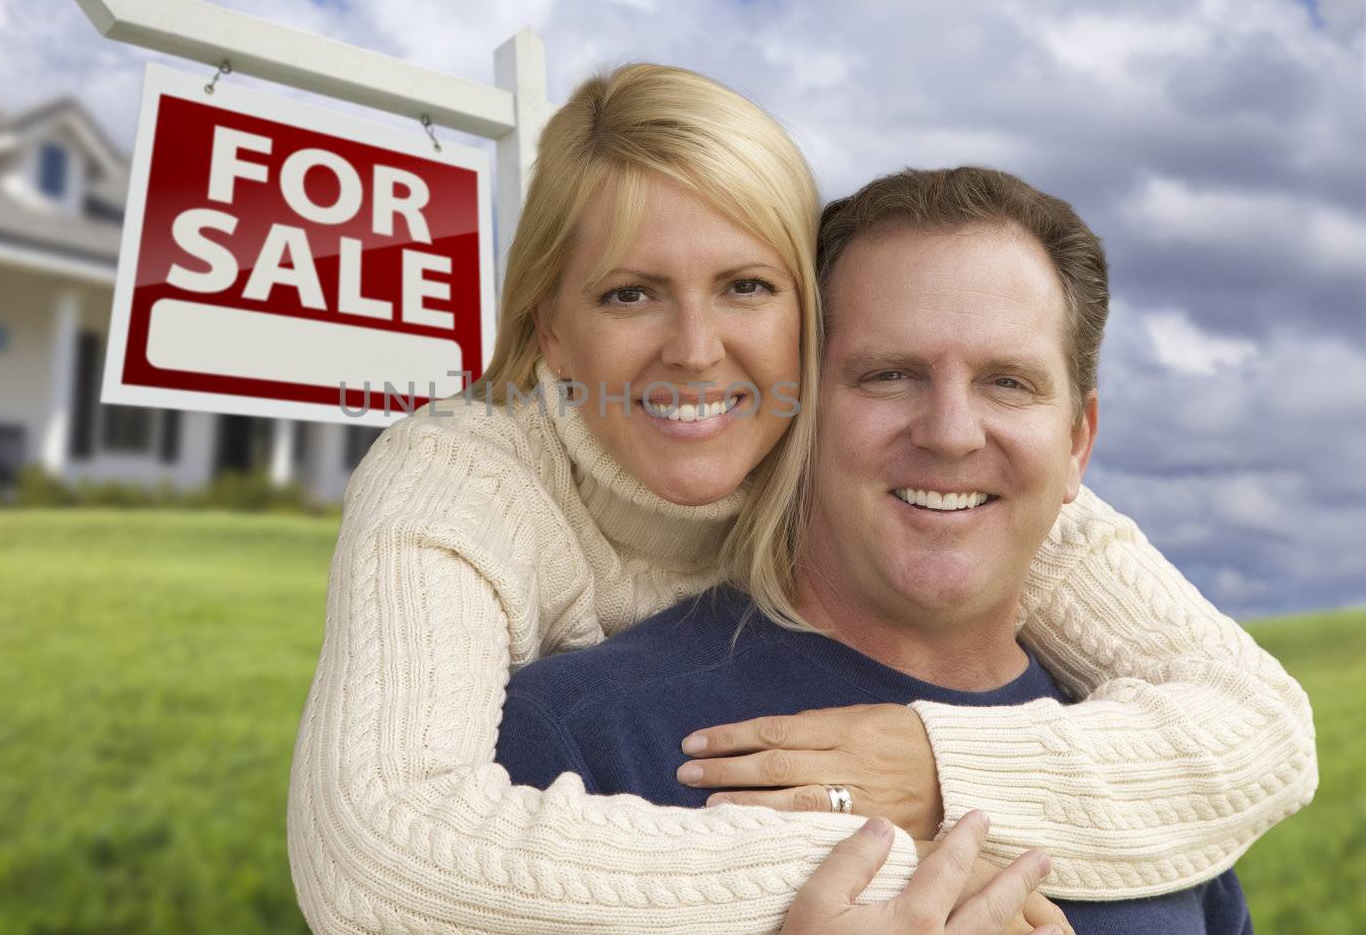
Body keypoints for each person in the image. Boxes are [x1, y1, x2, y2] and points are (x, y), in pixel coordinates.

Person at [288, 65, 1316, 935]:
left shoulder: (990, 508)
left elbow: (1257, 727)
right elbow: (380, 846)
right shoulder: (473, 496)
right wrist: (882, 864)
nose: (697, 351)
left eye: (745, 285)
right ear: (549, 329)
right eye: (627, 292)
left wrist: (943, 768)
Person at [494, 166, 1266, 933]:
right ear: (801, 410)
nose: (951, 432)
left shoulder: (1161, 789)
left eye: (1007, 382)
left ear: (1076, 444)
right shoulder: (579, 739)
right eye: (889, 375)